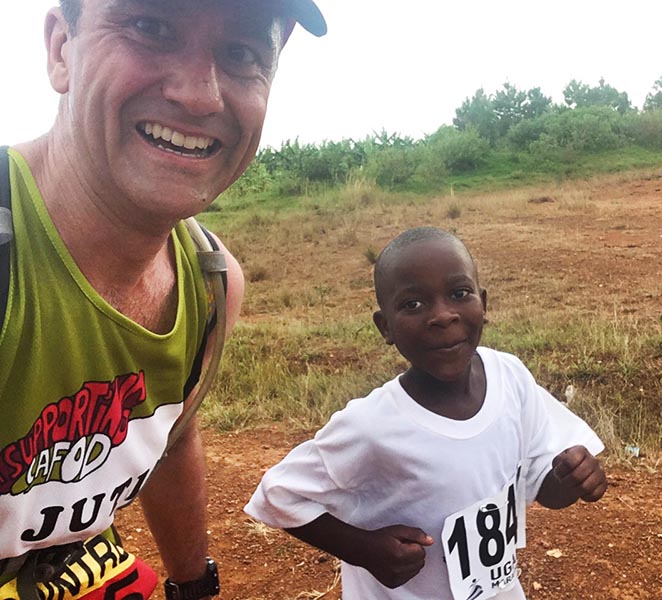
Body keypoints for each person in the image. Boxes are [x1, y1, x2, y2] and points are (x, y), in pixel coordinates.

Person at [0, 0, 326, 599]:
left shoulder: (210, 284)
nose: (200, 96)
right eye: (150, 27)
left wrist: (192, 585)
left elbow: (169, 438)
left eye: (242, 54)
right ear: (60, 49)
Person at [245, 226, 608, 600]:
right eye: (413, 304)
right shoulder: (373, 426)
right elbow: (279, 493)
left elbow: (539, 485)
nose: (443, 315)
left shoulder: (510, 377)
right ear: (385, 327)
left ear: (483, 303)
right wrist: (362, 549)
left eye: (459, 293)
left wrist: (569, 481)